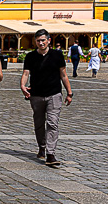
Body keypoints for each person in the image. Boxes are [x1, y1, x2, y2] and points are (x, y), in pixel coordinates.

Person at [20, 29, 72, 167]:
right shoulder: (30, 56)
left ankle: (50, 154)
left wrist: (69, 92)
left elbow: (63, 75)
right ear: (35, 42)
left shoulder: (57, 55)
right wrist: (22, 86)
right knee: (39, 124)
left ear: (49, 40)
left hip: (54, 94)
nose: (41, 43)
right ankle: (42, 147)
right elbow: (26, 73)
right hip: (36, 95)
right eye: (38, 40)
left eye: (43, 40)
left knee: (52, 123)